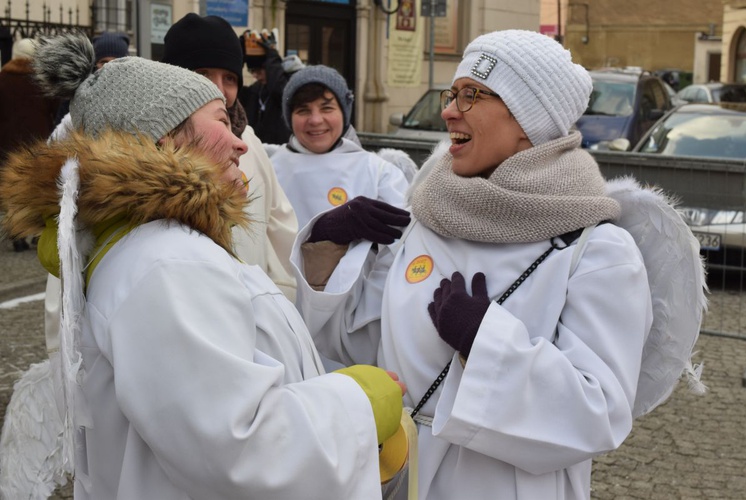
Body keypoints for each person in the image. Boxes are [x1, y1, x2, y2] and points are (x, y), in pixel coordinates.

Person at [290, 30, 703, 499]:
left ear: (527, 119)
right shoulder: (428, 218)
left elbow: (599, 412)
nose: (448, 110)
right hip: (407, 479)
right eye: (453, 94)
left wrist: (483, 342)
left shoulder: (598, 250)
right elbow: (363, 348)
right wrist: (326, 247)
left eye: (472, 96)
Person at [0, 32, 404, 499]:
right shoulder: (166, 265)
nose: (238, 143)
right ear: (166, 137)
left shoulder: (160, 248)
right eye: (220, 121)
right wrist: (358, 402)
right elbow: (238, 449)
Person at [162, 13, 298, 301]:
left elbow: (280, 231)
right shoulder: (149, 148)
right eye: (202, 75)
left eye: (230, 78)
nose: (219, 91)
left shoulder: (249, 142)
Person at [271, 64, 409, 231]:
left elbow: (401, 241)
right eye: (303, 110)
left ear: (344, 114)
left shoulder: (380, 173)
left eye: (327, 108)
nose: (315, 120)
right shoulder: (270, 170)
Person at [0, 38, 59, 251]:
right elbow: (55, 109)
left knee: (12, 188)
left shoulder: (3, 79)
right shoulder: (41, 80)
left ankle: (16, 232)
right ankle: (36, 233)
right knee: (35, 188)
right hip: (37, 141)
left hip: (8, 143)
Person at [238, 29, 292, 144]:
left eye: (259, 70)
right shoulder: (255, 90)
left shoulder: (286, 85)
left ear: (269, 67)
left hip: (278, 150)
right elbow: (233, 91)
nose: (256, 75)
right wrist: (238, 57)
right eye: (252, 71)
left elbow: (280, 90)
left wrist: (272, 56)